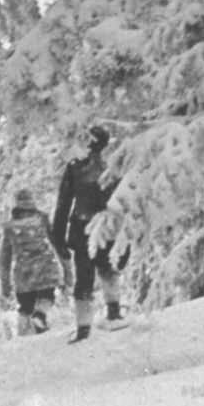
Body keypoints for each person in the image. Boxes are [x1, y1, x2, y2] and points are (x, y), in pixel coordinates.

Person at [51, 125, 127, 342]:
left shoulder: (75, 167)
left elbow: (63, 203)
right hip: (108, 226)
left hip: (81, 228)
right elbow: (123, 201)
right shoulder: (113, 166)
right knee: (108, 268)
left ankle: (83, 328)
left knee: (84, 277)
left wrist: (58, 236)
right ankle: (114, 311)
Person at [0, 187, 63, 335]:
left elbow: (5, 257)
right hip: (45, 268)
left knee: (25, 307)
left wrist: (5, 284)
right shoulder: (42, 219)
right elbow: (56, 242)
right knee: (47, 297)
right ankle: (40, 316)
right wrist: (66, 268)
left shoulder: (10, 227)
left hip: (24, 272)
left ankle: (23, 337)